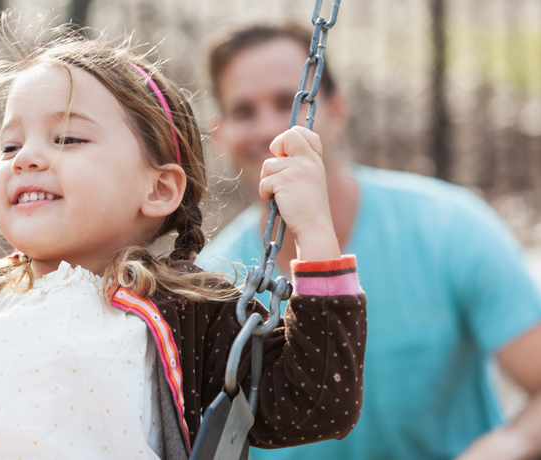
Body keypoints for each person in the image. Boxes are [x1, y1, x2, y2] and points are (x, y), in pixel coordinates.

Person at [0, 15, 367, 460]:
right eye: (10, 146)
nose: (26, 158)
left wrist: (313, 232)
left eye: (68, 139)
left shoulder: (191, 317)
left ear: (159, 190)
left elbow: (318, 403)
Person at [196, 23, 541, 460]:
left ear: (336, 110)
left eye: (290, 103)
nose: (270, 129)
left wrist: (508, 445)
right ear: (220, 133)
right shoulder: (213, 281)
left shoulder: (449, 227)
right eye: (244, 111)